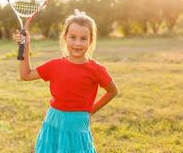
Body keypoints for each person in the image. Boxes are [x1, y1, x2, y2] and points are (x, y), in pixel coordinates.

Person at [13, 9, 118, 152]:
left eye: (83, 38)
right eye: (73, 37)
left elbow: (112, 91)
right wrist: (25, 46)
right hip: (53, 121)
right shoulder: (54, 65)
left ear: (91, 40)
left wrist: (91, 110)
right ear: (65, 37)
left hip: (77, 125)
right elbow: (25, 75)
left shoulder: (96, 70)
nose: (77, 43)